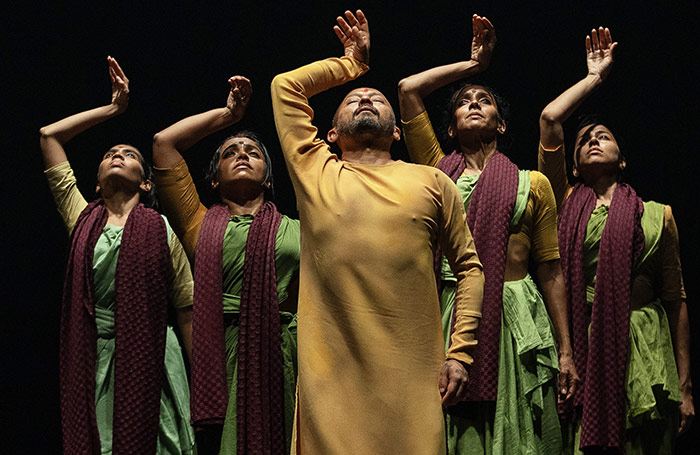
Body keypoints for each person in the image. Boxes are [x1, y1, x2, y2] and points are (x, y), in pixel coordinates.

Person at [270, 10, 484, 455]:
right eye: (352, 99)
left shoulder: (432, 182)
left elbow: (469, 268)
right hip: (331, 383)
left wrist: (460, 352)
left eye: (377, 99)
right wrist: (352, 64)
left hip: (413, 380)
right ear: (329, 133)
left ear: (399, 132)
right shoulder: (315, 170)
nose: (365, 99)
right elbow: (285, 87)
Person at [398, 14, 577, 455]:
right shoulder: (435, 170)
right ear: (452, 128)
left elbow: (551, 269)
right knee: (445, 426)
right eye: (464, 102)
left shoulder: (531, 183)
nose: (474, 103)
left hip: (515, 312)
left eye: (484, 100)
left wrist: (567, 350)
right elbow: (407, 90)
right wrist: (473, 67)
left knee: (516, 433)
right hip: (447, 308)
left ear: (500, 124)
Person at [539, 27, 694, 454]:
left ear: (622, 159)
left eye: (602, 136)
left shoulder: (657, 215)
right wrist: (595, 78)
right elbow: (551, 119)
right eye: (585, 140)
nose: (592, 139)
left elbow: (675, 299)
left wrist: (685, 383)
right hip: (582, 345)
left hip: (645, 347)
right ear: (571, 168)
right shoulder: (563, 201)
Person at [40, 56, 195, 454]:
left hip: (155, 357)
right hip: (95, 356)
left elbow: (185, 305)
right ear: (94, 184)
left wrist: (201, 376)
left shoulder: (159, 230)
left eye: (128, 154)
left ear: (146, 182)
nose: (117, 155)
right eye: (110, 153)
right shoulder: (83, 220)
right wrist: (113, 108)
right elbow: (49, 137)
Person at [152, 76, 300, 455]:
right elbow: (163, 143)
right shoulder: (198, 223)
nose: (242, 153)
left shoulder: (300, 228)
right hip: (219, 352)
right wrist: (229, 115)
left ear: (268, 177)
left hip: (284, 351)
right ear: (214, 179)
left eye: (252, 151)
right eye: (231, 152)